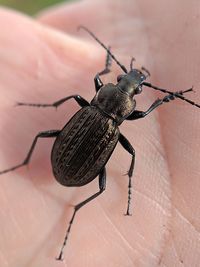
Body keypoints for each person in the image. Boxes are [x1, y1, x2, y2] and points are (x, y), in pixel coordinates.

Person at [0, 0, 199, 266]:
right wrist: (163, 100)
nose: (128, 81)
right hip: (77, 161)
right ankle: (45, 183)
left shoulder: (97, 103)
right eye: (126, 82)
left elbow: (101, 83)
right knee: (108, 180)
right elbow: (142, 122)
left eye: (131, 85)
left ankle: (70, 209)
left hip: (72, 159)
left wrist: (110, 67)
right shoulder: (112, 120)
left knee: (44, 136)